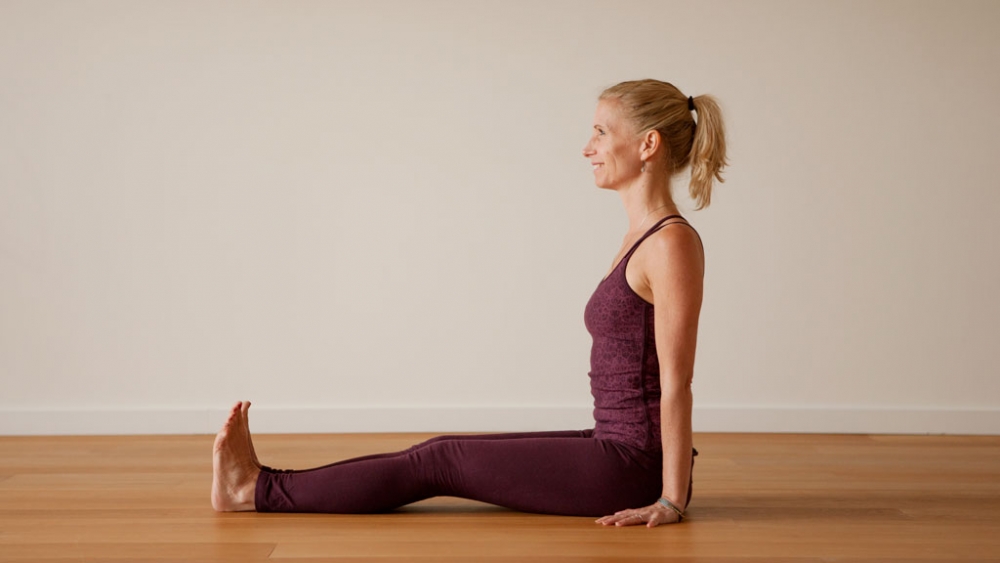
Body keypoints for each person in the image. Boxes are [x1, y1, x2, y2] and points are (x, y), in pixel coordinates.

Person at [211, 78, 728, 528]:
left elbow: (678, 383)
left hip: (631, 465)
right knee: (439, 452)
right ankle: (258, 485)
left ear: (648, 144)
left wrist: (670, 499)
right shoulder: (643, 237)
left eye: (600, 132)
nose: (587, 147)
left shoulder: (670, 243)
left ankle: (253, 491)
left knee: (442, 460)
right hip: (612, 445)